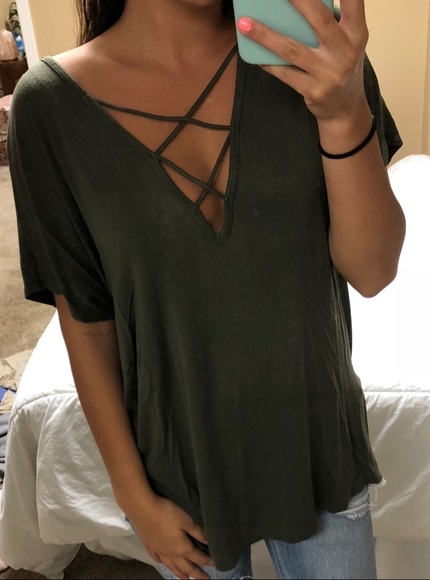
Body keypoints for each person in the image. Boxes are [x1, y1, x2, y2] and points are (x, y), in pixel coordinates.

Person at [8, 0, 405, 578]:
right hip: (178, 473)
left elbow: (373, 271)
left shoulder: (315, 60)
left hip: (319, 449)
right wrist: (133, 496)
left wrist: (344, 112)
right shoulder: (49, 108)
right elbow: (87, 321)